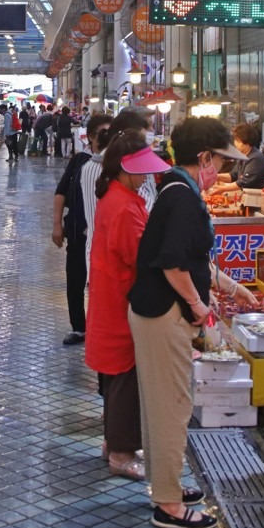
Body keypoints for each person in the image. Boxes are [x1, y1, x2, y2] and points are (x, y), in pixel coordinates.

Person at [128, 117, 260, 528]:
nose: (221, 172)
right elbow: (171, 263)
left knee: (162, 403)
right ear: (203, 158)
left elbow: (191, 257)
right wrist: (199, 306)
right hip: (163, 313)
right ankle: (167, 504)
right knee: (172, 406)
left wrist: (232, 287)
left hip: (156, 311)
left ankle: (163, 484)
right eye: (220, 162)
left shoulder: (174, 187)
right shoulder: (183, 196)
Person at [85, 130, 177, 484]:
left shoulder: (120, 196)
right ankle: (122, 453)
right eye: (141, 171)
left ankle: (115, 442)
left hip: (113, 298)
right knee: (123, 377)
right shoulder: (123, 205)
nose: (146, 178)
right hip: (121, 301)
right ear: (125, 169)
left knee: (115, 378)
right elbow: (139, 255)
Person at [52, 112, 113, 346]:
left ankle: (101, 326)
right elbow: (61, 192)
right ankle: (79, 327)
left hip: (105, 238)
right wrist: (57, 225)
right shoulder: (80, 161)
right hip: (78, 232)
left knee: (102, 285)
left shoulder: (118, 165)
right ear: (90, 137)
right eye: (102, 134)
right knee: (75, 281)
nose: (106, 139)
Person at [81, 109, 155, 259]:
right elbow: (144, 214)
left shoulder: (88, 167)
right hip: (118, 262)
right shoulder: (123, 171)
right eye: (140, 141)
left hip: (96, 257)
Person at [209, 122, 264, 194]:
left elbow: (244, 182)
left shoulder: (255, 158)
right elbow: (233, 175)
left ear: (248, 143)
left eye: (239, 142)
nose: (236, 144)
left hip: (261, 197)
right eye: (236, 140)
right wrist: (216, 176)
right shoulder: (242, 156)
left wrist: (222, 189)